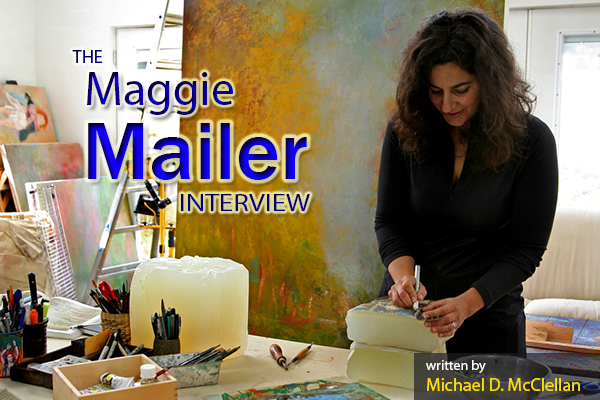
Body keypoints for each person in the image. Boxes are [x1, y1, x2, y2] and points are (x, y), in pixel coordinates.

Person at [374, 8, 558, 355]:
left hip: (488, 319)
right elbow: (389, 221)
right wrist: (402, 278)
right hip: (409, 318)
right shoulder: (405, 129)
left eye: (461, 90)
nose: (446, 105)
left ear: (490, 82)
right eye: (435, 91)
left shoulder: (533, 141)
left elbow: (526, 249)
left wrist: (466, 304)